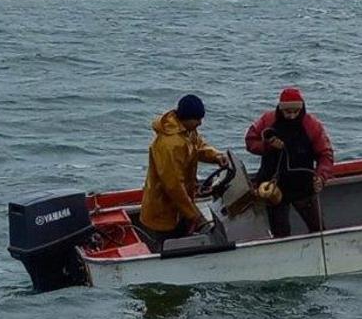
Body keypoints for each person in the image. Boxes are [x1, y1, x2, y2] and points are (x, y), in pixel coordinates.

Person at [139, 94, 228, 247]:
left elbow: (198, 147)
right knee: (165, 248)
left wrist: (216, 157)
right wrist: (195, 215)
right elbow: (173, 186)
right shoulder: (169, 144)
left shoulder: (187, 131)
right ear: (186, 118)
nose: (200, 123)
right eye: (197, 119)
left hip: (180, 208)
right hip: (162, 213)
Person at [245, 86, 334, 237]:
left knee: (318, 230)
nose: (292, 116)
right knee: (280, 233)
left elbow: (325, 155)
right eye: (287, 112)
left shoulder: (312, 125)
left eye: (296, 112)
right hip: (274, 187)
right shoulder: (267, 120)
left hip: (303, 186)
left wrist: (321, 177)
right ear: (280, 108)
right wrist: (267, 145)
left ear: (302, 109)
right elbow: (250, 141)